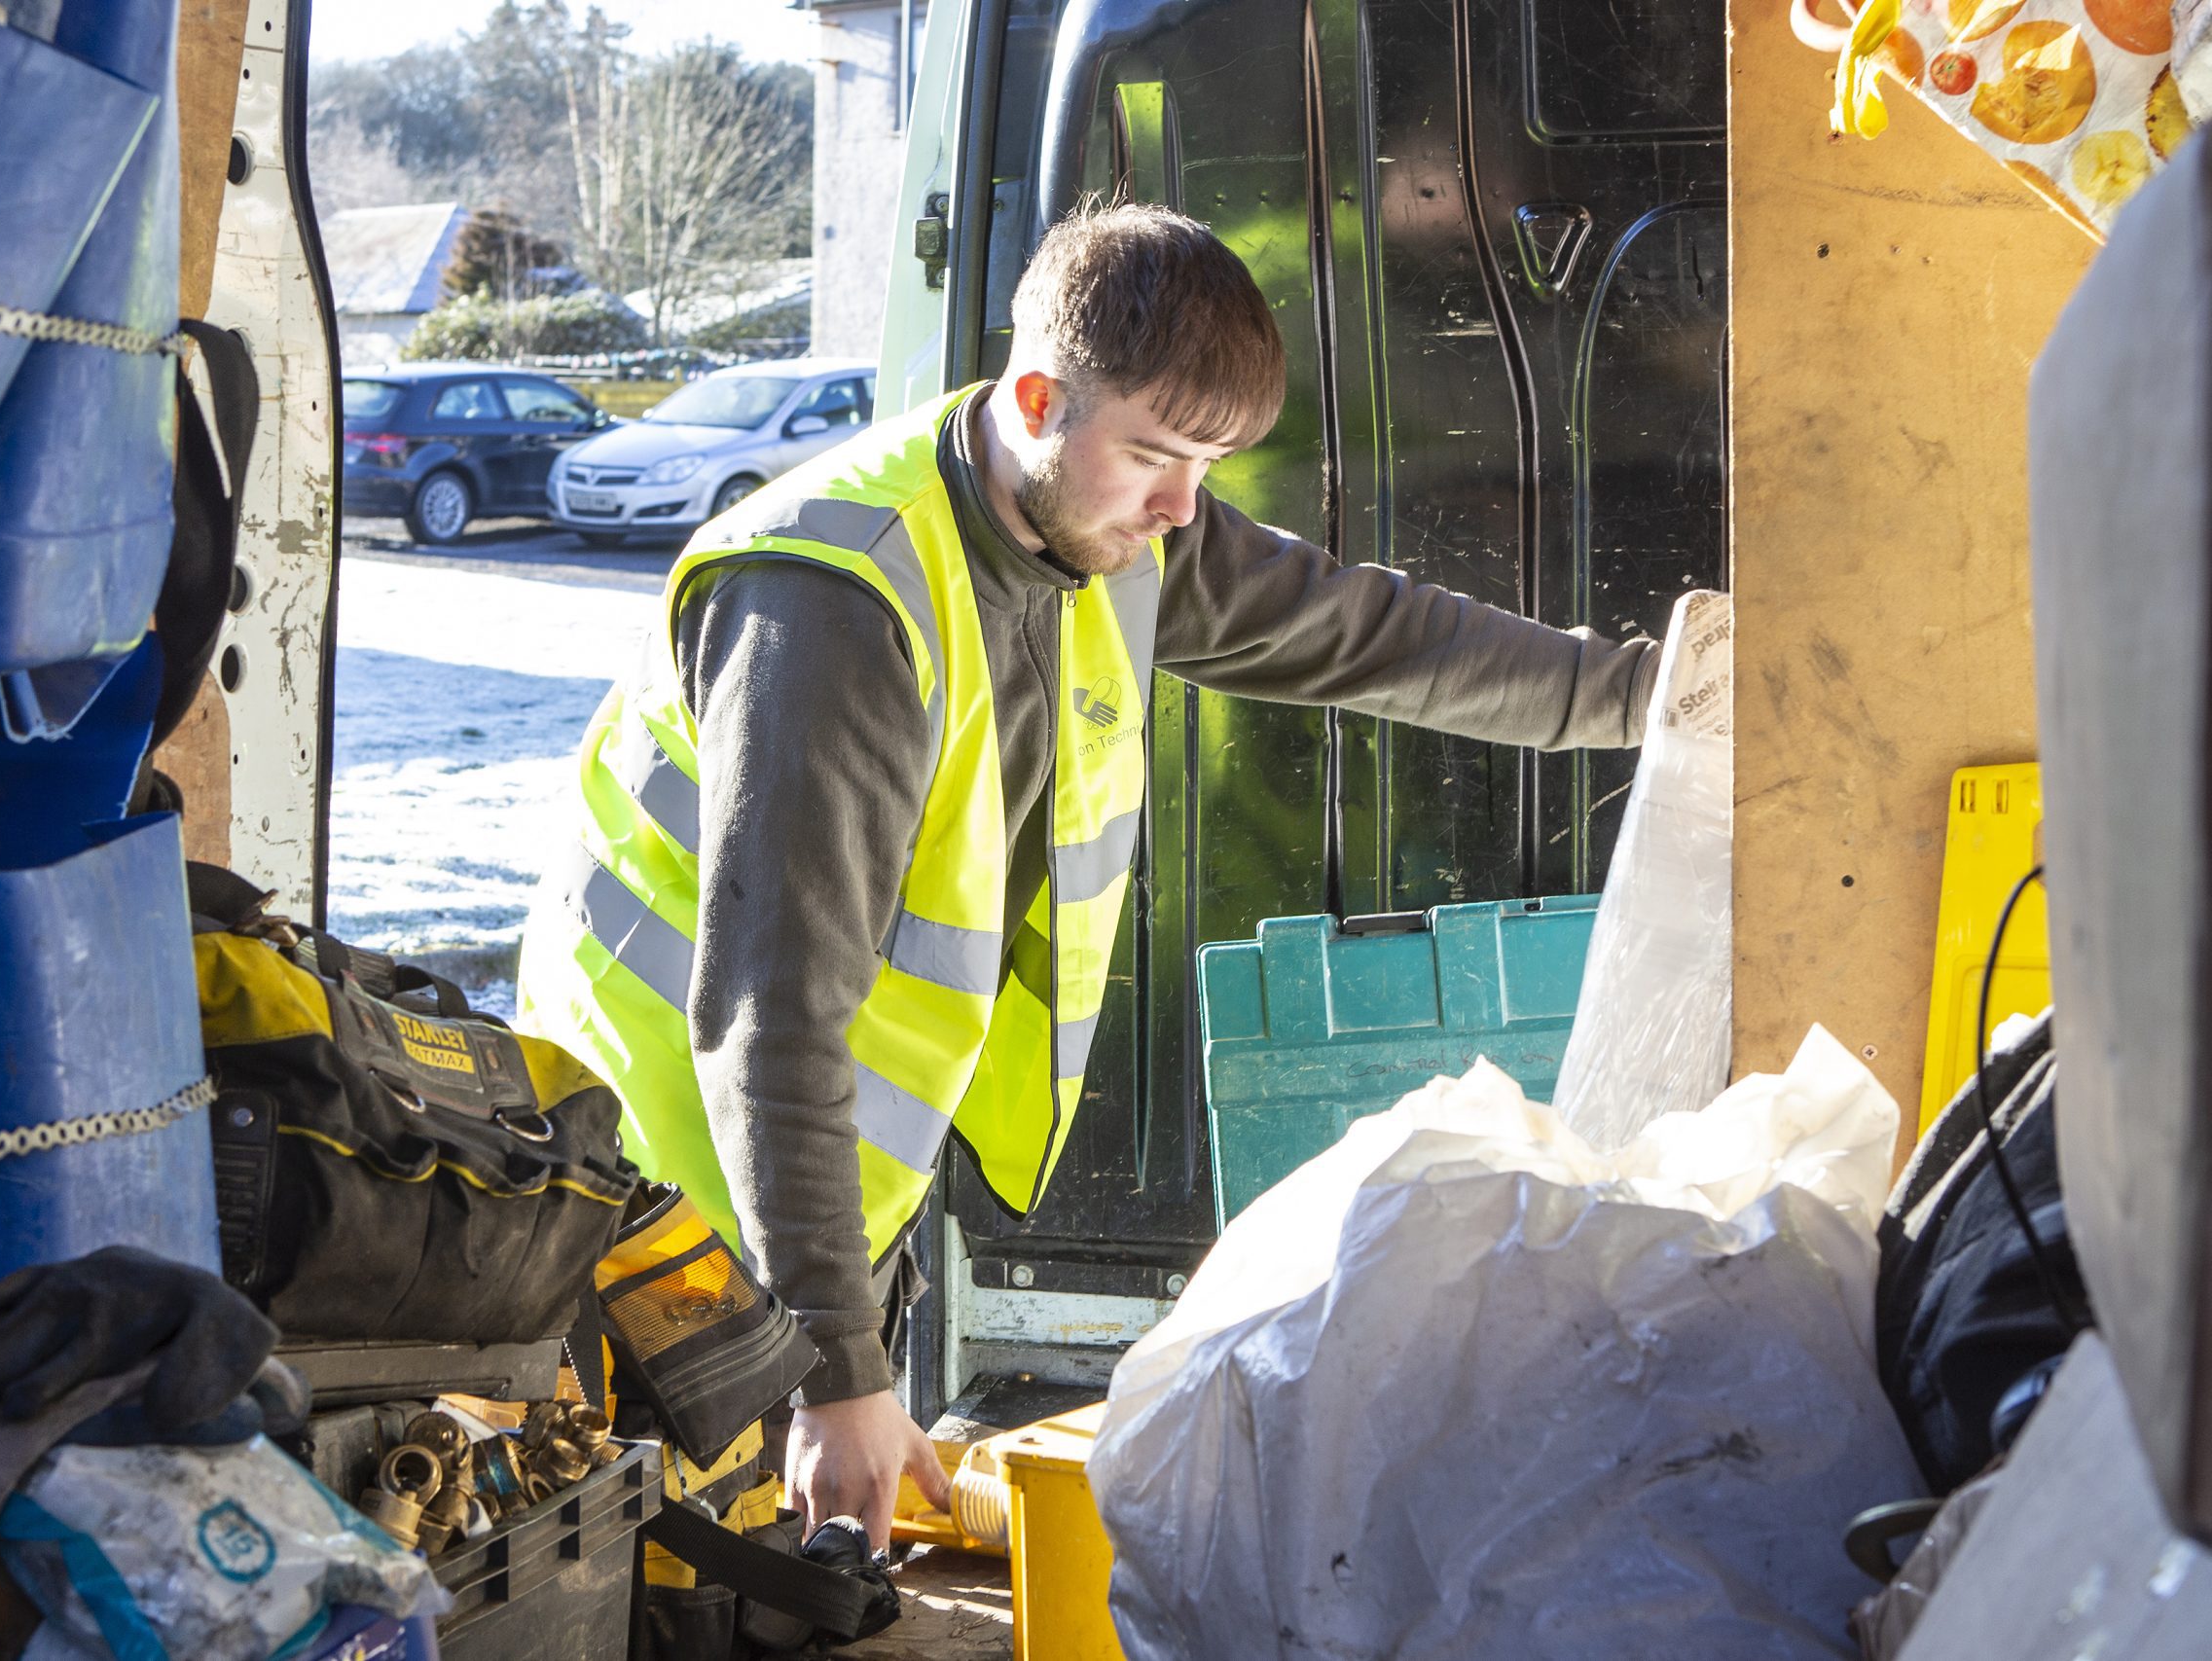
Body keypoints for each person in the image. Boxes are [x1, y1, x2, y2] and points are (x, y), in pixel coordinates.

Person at [517, 201, 1664, 1549]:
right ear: (1042, 396)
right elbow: (768, 1016)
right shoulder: (837, 603)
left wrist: (1664, 697)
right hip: (651, 1179)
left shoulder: (1106, 525)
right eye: (1159, 456)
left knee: (782, 1573)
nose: (1183, 507)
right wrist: (838, 1369)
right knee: (621, 1567)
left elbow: (1379, 636)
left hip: (806, 1174)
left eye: (1211, 466)